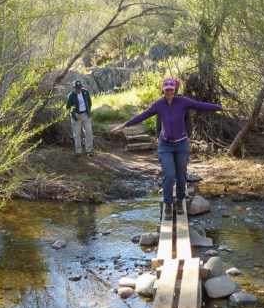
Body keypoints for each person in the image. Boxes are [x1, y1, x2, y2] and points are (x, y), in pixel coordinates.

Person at [111, 77, 235, 220]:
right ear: (163, 90)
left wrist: (220, 108)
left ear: (175, 90)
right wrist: (125, 125)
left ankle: (180, 202)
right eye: (167, 89)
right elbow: (143, 115)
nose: (169, 92)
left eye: (171, 89)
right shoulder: (159, 104)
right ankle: (168, 205)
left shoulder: (183, 102)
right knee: (169, 175)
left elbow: (200, 105)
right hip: (165, 145)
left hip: (181, 145)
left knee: (181, 176)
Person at [67, 79, 94, 157]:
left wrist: (89, 109)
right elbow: (68, 107)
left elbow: (89, 102)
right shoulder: (71, 95)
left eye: (80, 88)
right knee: (77, 134)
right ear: (74, 88)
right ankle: (78, 151)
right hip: (76, 116)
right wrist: (74, 113)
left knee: (88, 132)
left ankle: (89, 150)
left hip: (85, 114)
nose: (78, 89)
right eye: (77, 88)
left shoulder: (85, 92)